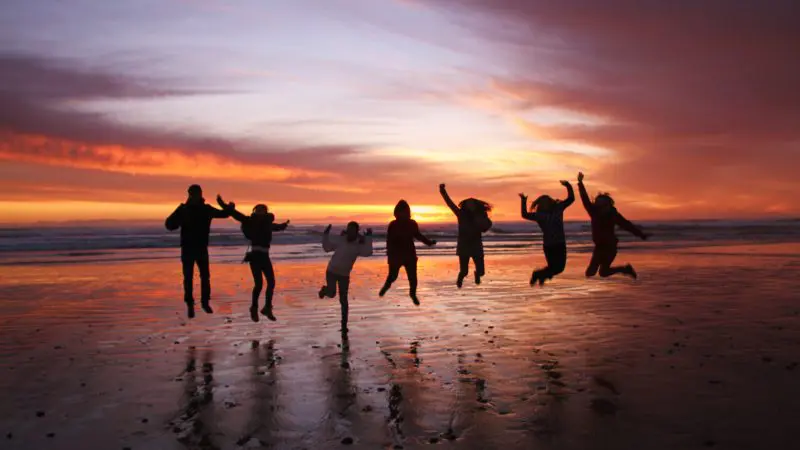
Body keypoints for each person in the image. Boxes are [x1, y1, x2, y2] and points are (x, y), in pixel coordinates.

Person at [217, 197, 289, 323]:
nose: (261, 212)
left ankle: (267, 308)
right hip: (255, 257)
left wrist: (284, 225)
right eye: (259, 210)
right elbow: (236, 214)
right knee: (259, 284)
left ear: (266, 212)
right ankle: (254, 308)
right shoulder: (249, 221)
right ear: (255, 211)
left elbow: (275, 227)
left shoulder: (267, 223)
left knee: (271, 283)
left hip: (265, 257)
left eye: (263, 210)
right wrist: (224, 206)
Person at [165, 184, 231, 318]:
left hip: (201, 247)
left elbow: (225, 214)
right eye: (193, 193)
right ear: (189, 194)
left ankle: (205, 303)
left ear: (200, 194)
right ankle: (190, 303)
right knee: (188, 277)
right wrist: (178, 216)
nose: (195, 196)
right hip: (188, 248)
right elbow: (169, 225)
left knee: (205, 277)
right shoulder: (183, 209)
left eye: (197, 193)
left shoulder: (206, 209)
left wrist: (225, 205)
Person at [577, 172, 650, 279]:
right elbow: (585, 199)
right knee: (590, 273)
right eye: (598, 203)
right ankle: (625, 269)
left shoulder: (613, 215)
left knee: (603, 272)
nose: (600, 206)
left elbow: (627, 225)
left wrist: (640, 234)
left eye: (603, 204)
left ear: (608, 205)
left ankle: (625, 269)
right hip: (599, 247)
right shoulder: (594, 212)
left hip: (610, 247)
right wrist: (580, 183)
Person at [319, 222, 373, 335]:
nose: (350, 233)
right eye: (349, 230)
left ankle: (344, 325)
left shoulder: (358, 245)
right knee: (332, 293)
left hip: (344, 275)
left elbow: (368, 252)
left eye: (353, 231)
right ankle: (325, 290)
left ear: (356, 232)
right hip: (332, 271)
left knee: (343, 300)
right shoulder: (341, 239)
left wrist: (368, 238)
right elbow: (327, 247)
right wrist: (326, 234)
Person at [379, 200, 437, 305]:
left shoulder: (412, 223)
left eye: (405, 211)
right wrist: (390, 255)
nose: (403, 214)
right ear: (396, 213)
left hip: (410, 254)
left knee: (413, 278)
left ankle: (413, 294)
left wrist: (429, 242)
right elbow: (389, 241)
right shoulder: (393, 224)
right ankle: (386, 286)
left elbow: (418, 235)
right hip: (396, 255)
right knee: (393, 276)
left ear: (408, 212)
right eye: (401, 212)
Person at [520, 179, 575, 286]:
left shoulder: (558, 208)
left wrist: (568, 186)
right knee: (557, 268)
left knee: (556, 268)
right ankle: (539, 275)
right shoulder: (539, 215)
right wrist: (523, 201)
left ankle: (541, 276)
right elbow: (524, 215)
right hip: (550, 245)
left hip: (559, 244)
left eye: (546, 202)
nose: (544, 204)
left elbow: (571, 199)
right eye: (542, 203)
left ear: (550, 202)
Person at [439, 183, 493, 287]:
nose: (470, 205)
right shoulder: (461, 214)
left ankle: (477, 274)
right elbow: (449, 203)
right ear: (465, 206)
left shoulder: (480, 215)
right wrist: (443, 191)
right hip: (464, 247)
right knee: (464, 271)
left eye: (472, 204)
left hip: (477, 246)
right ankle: (460, 279)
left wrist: (483, 222)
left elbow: (487, 226)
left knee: (481, 272)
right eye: (469, 204)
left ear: (476, 206)